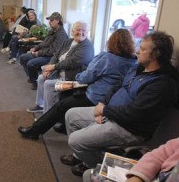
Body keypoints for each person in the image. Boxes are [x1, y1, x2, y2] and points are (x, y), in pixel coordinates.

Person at [62, 31, 179, 177]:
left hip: (129, 128)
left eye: (142, 49)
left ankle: (97, 166)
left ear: (156, 54)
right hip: (111, 113)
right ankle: (82, 158)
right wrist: (102, 106)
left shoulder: (162, 84)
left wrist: (105, 111)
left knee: (75, 141)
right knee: (70, 115)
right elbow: (116, 86)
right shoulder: (139, 67)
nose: (137, 51)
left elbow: (134, 114)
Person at [18, 29, 136, 140]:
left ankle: (35, 131)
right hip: (110, 97)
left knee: (61, 104)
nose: (80, 32)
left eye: (83, 30)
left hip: (96, 97)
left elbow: (86, 76)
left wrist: (78, 77)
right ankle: (63, 125)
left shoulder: (107, 58)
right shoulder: (133, 61)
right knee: (65, 94)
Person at [26, 21, 94, 114]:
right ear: (73, 31)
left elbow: (71, 62)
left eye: (84, 30)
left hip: (72, 77)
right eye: (78, 30)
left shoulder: (87, 47)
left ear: (87, 32)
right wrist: (49, 67)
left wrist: (53, 67)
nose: (81, 32)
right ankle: (40, 105)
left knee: (48, 84)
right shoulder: (69, 41)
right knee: (42, 77)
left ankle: (48, 113)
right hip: (59, 71)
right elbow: (56, 54)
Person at [19, 12, 69, 90]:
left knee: (30, 63)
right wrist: (36, 48)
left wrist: (38, 53)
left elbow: (54, 51)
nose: (49, 22)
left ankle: (34, 81)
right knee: (22, 57)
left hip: (51, 57)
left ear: (58, 21)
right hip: (44, 52)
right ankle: (33, 77)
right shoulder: (52, 30)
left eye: (52, 20)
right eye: (49, 20)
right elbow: (44, 42)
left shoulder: (61, 35)